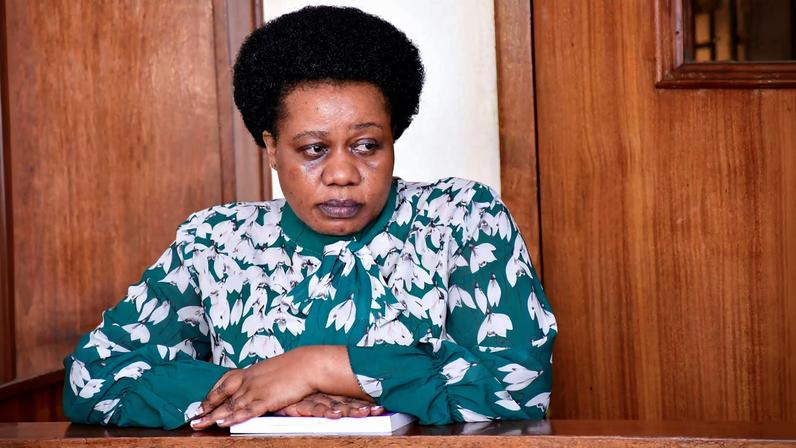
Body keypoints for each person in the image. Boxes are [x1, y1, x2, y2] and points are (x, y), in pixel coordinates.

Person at [62, 5, 557, 430]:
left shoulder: (463, 219)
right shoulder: (215, 242)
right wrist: (267, 393)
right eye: (314, 149)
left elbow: (516, 387)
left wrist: (316, 366)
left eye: (367, 145)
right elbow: (94, 377)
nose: (342, 173)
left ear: (393, 139)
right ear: (272, 148)